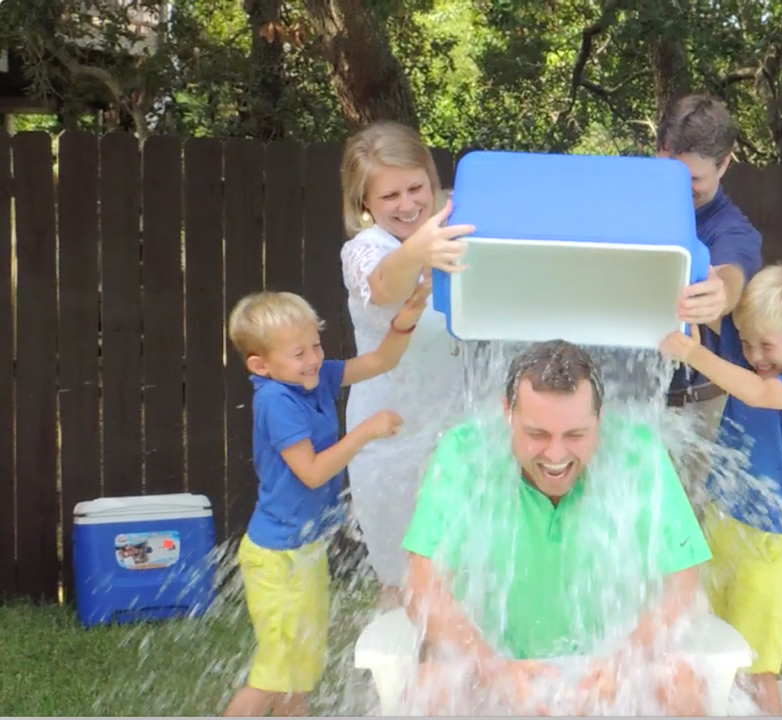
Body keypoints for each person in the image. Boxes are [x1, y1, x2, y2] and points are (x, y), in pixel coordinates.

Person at [400, 340, 714, 715]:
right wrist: (493, 670)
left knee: (681, 683)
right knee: (430, 687)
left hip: (606, 668)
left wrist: (623, 661)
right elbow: (423, 589)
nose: (555, 455)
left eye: (575, 435)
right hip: (498, 664)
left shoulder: (638, 452)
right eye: (537, 434)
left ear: (600, 419)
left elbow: (682, 588)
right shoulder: (465, 452)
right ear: (507, 413)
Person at [221, 288, 431, 717]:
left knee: (300, 669)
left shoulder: (309, 381)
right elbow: (312, 472)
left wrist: (406, 317)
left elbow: (381, 361)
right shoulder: (276, 400)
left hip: (304, 550)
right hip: (276, 560)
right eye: (298, 353)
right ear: (261, 365)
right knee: (274, 673)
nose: (314, 359)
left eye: (315, 346)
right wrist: (365, 432)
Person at [659, 262, 782, 715]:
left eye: (766, 345)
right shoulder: (757, 350)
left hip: (769, 544)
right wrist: (703, 281)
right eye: (748, 343)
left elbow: (759, 393)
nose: (754, 355)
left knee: (755, 670)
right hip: (721, 523)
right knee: (706, 647)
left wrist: (695, 355)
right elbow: (718, 307)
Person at [339, 120, 475, 607]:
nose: (407, 204)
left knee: (465, 580)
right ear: (365, 203)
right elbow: (384, 286)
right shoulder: (364, 250)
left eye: (416, 188)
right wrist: (419, 251)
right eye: (389, 195)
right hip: (391, 440)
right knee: (403, 583)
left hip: (459, 432)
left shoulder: (458, 225)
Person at [655, 94, 764, 489]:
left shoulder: (731, 229)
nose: (682, 188)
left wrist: (721, 293)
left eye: (695, 180)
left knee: (682, 520)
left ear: (724, 164)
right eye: (673, 172)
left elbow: (732, 274)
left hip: (692, 403)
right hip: (616, 388)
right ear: (660, 150)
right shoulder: (627, 201)